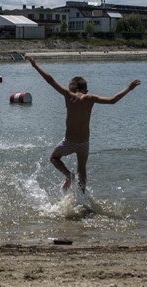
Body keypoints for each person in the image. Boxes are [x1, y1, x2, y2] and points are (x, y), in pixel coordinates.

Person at [26, 55, 140, 193]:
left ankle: (68, 175)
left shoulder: (69, 95)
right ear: (85, 89)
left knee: (54, 158)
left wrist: (35, 65)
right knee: (82, 170)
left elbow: (50, 80)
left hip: (69, 141)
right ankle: (82, 196)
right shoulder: (90, 98)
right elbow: (112, 100)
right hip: (84, 142)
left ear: (72, 88)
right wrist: (128, 88)